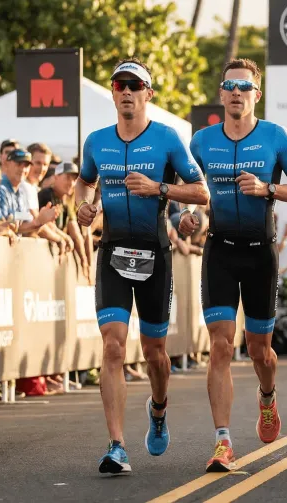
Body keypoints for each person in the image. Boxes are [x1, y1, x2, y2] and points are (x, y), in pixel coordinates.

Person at [74, 58, 209, 476]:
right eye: (119, 85)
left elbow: (201, 192)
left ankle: (159, 407)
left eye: (135, 85)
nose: (126, 91)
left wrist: (159, 189)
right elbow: (84, 181)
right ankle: (117, 445)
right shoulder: (97, 141)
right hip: (114, 251)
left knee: (154, 353)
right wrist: (83, 204)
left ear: (148, 93)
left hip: (155, 255)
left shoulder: (167, 138)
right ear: (113, 92)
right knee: (113, 345)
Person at [179, 58, 287, 472]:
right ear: (221, 94)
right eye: (229, 86)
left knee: (259, 351)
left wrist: (268, 187)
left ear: (256, 94)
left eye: (244, 87)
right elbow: (189, 187)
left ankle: (267, 398)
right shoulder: (201, 141)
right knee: (219, 345)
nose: (236, 93)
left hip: (259, 253)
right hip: (219, 250)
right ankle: (222, 442)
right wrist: (189, 212)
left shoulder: (275, 136)